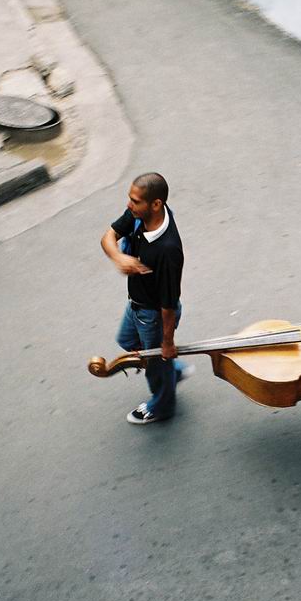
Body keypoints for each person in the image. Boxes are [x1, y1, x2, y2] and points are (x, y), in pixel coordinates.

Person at [101, 172, 188, 425]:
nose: (129, 205)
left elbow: (169, 304)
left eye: (135, 201)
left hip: (153, 315)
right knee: (127, 341)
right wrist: (120, 257)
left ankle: (162, 406)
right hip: (136, 304)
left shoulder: (168, 251)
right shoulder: (140, 215)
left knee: (154, 366)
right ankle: (172, 371)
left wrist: (167, 342)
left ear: (156, 204)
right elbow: (107, 237)